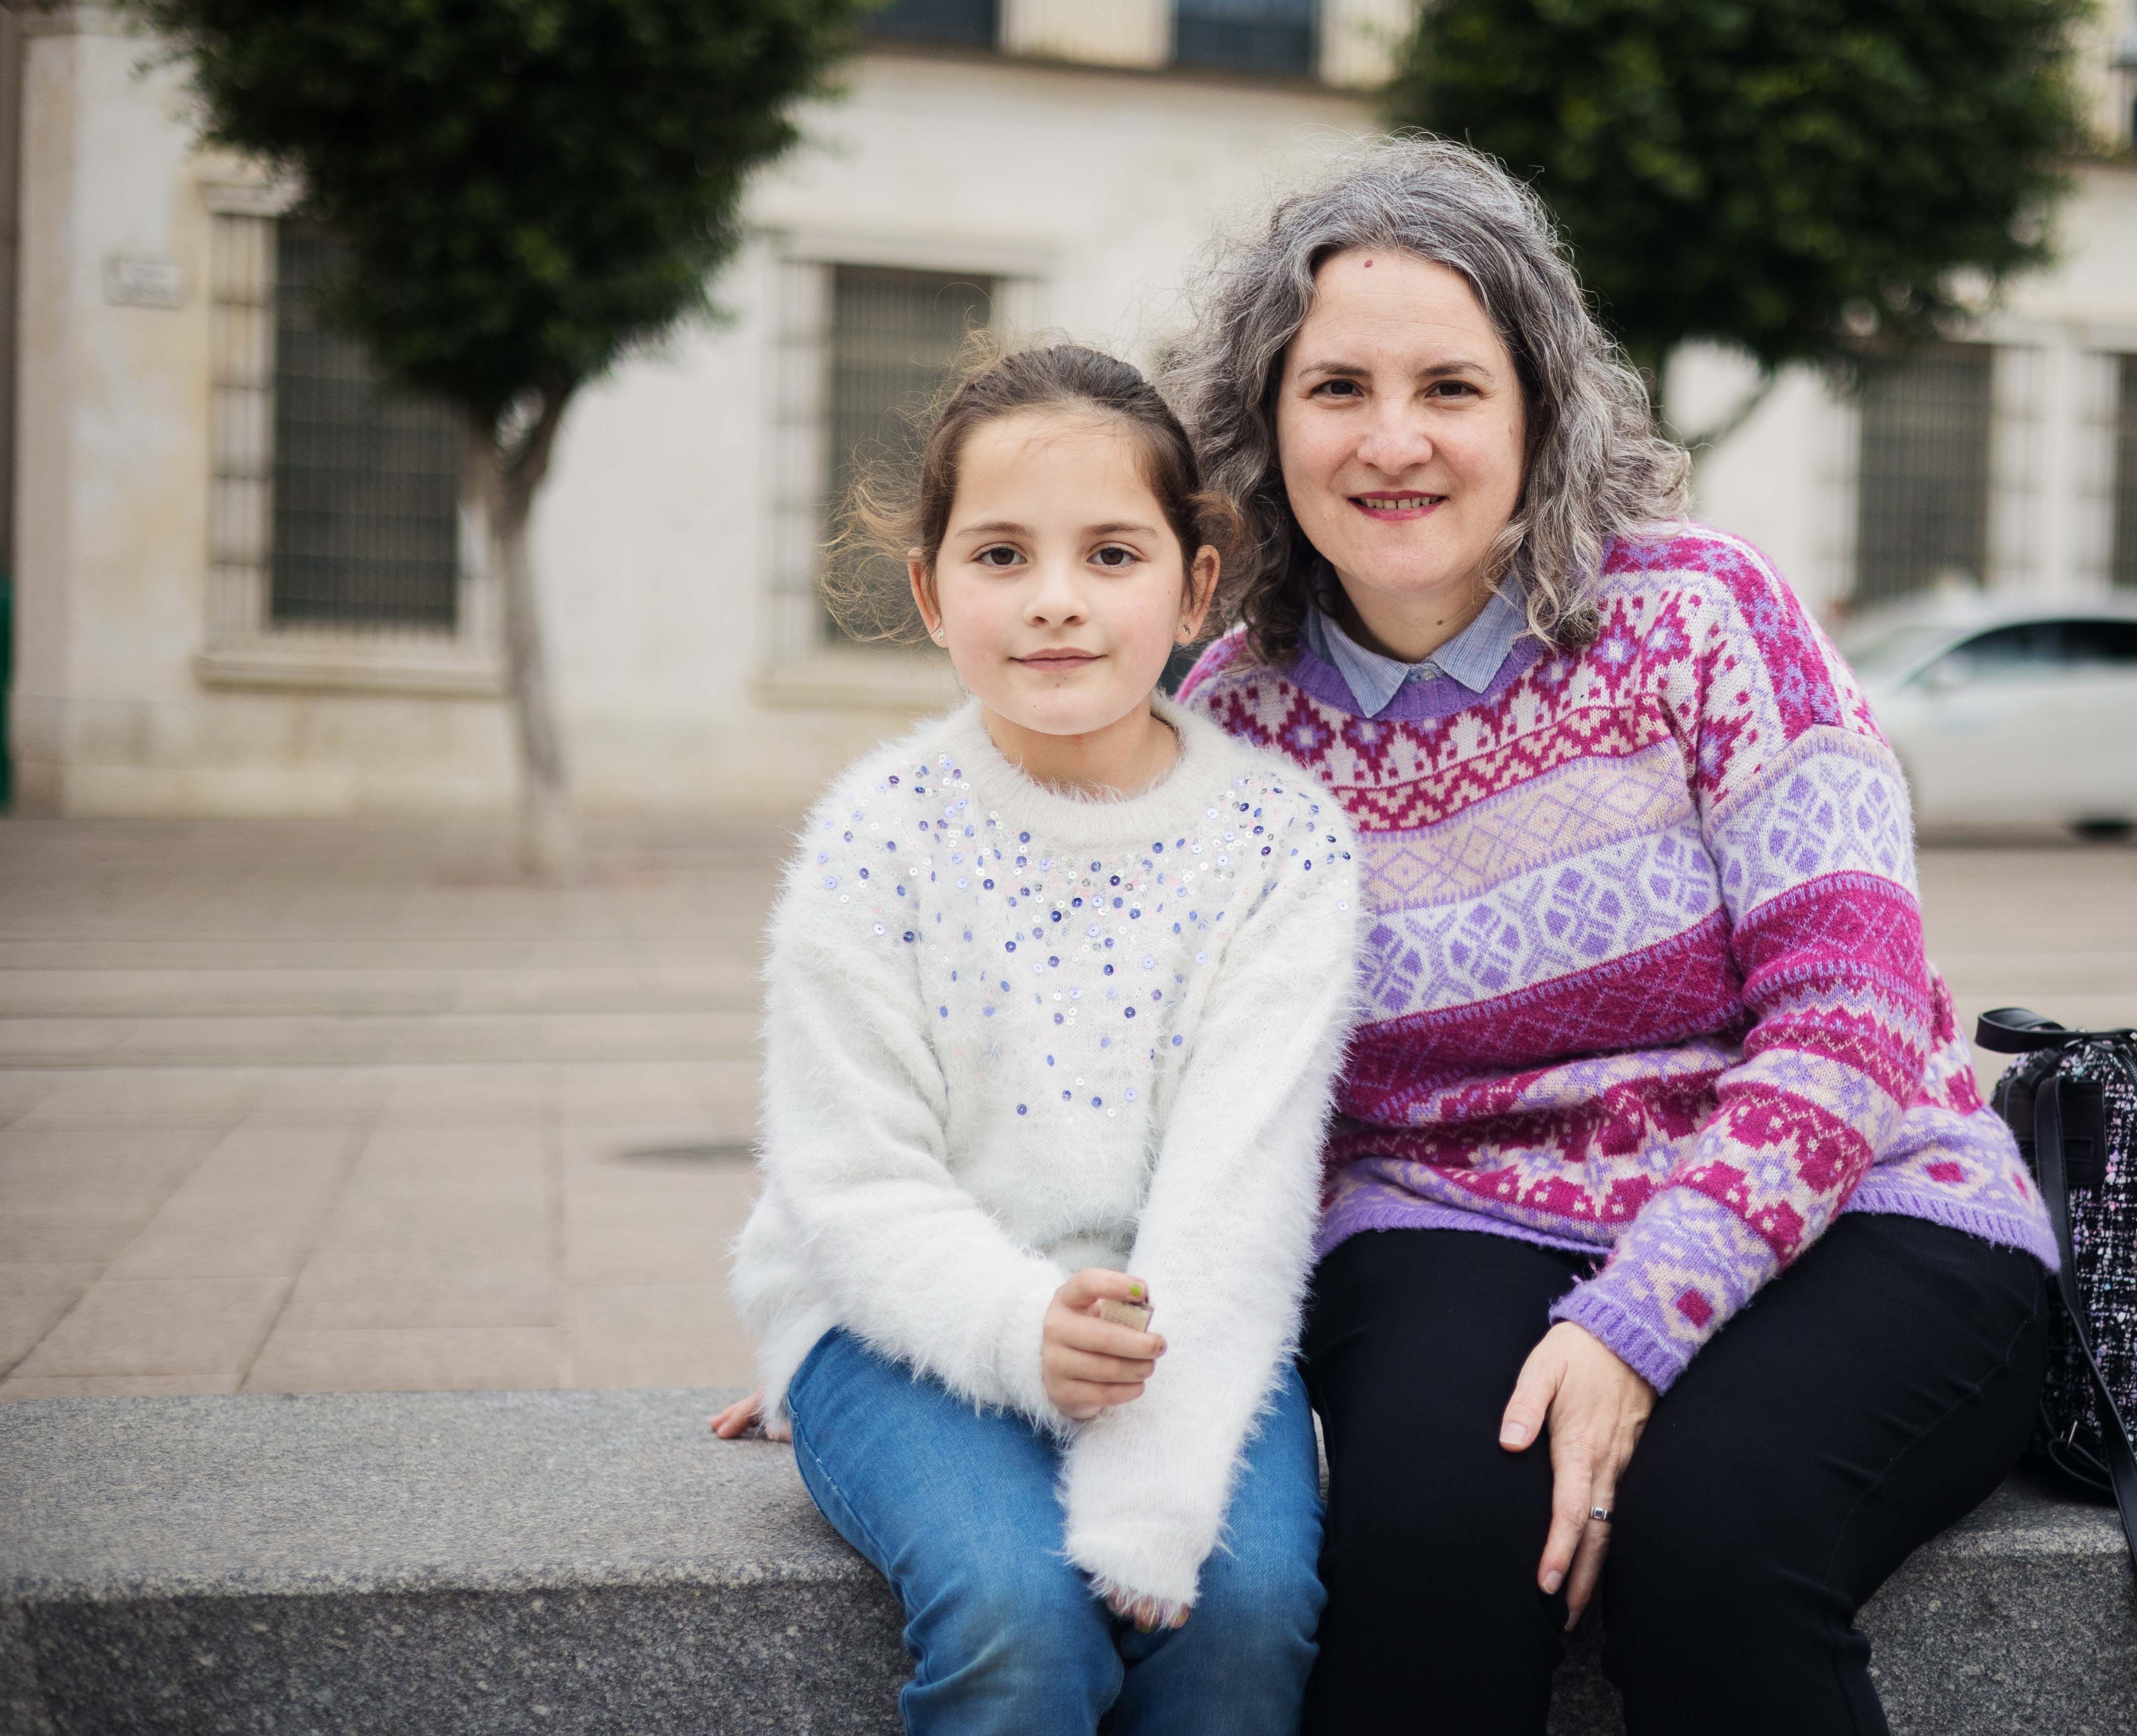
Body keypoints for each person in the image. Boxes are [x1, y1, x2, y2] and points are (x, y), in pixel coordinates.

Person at [1166, 141, 2060, 1736]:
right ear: (1264, 420)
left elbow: (1850, 1026)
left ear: (1538, 411)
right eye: (1337, 390)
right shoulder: (1228, 721)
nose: (1393, 442)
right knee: (1429, 1548)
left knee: (1712, 1543)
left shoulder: (1708, 616)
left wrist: (1639, 1323)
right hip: (1454, 1208)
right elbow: (1144, 1076)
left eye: (1450, 385)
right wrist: (914, 1325)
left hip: (1864, 1197)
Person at [710, 344, 1360, 1736]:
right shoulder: (877, 837)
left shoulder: (1280, 844)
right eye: (1002, 556)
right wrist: (1015, 1329)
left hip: (1175, 1321)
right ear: (932, 592)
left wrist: (1152, 1492)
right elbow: (852, 1183)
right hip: (896, 1322)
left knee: (1243, 1616)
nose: (1056, 601)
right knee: (1019, 1620)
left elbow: (1243, 1186)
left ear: (1193, 587)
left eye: (1112, 554)